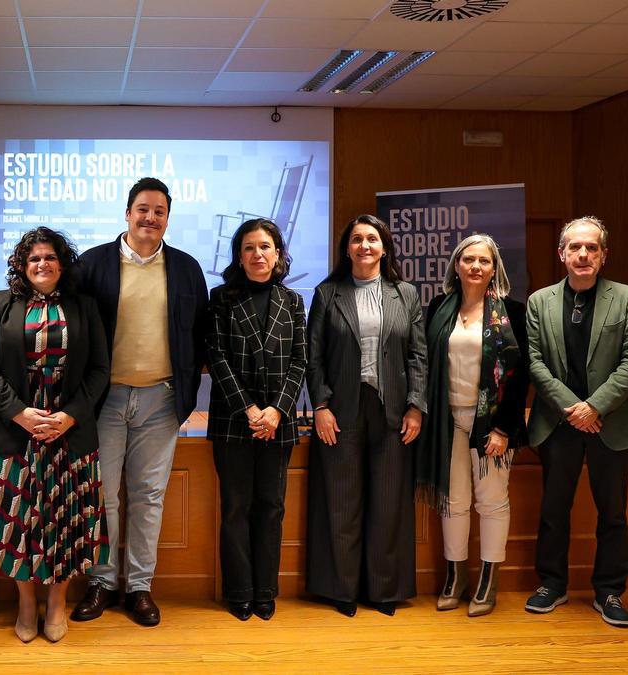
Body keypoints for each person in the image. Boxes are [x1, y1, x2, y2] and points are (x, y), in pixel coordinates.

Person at [73, 177, 208, 627]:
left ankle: (139, 587)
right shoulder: (92, 265)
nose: (150, 218)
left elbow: (199, 336)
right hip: (105, 400)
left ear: (168, 218)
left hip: (161, 399)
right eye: (143, 209)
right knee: (103, 495)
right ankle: (102, 582)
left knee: (149, 498)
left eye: (159, 211)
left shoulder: (187, 269)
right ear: (127, 213)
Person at [0, 227, 110, 642]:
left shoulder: (85, 306)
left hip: (68, 435)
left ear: (62, 263)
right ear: (21, 265)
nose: (42, 264)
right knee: (18, 526)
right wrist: (19, 413)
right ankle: (26, 604)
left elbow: (100, 370)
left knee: (64, 525)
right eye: (34, 258)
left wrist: (69, 416)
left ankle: (56, 603)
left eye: (50, 257)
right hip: (14, 435)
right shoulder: (1, 304)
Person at [524, 216, 628, 628]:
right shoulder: (539, 301)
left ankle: (610, 591)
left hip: (611, 425)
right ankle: (552, 585)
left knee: (613, 513)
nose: (583, 255)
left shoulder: (627, 298)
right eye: (575, 248)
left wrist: (594, 407)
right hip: (559, 425)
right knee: (554, 509)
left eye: (591, 248)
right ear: (561, 254)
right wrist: (572, 408)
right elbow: (535, 363)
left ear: (603, 254)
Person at [304, 214, 426, 617]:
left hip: (392, 410)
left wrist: (415, 406)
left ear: (384, 246)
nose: (364, 246)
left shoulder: (405, 293)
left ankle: (385, 591)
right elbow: (314, 357)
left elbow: (419, 356)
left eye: (372, 239)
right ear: (347, 248)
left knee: (389, 501)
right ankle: (342, 590)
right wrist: (319, 405)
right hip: (341, 410)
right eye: (356, 239)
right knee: (342, 502)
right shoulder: (328, 293)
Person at [415, 234, 528, 618]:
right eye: (468, 260)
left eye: (484, 260)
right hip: (446, 421)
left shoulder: (512, 312)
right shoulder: (438, 309)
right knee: (453, 503)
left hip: (492, 425)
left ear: (494, 267)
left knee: (492, 502)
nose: (476, 267)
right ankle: (455, 576)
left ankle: (488, 580)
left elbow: (519, 376)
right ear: (456, 266)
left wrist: (504, 429)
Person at [206, 218, 307, 621]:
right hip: (235, 420)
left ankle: (266, 590)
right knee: (235, 507)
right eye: (249, 248)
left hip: (278, 421)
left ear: (278, 254)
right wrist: (249, 410)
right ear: (239, 255)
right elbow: (217, 358)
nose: (257, 254)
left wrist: (277, 410)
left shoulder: (293, 301)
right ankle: (239, 591)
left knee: (271, 507)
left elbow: (300, 361)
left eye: (265, 247)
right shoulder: (221, 299)